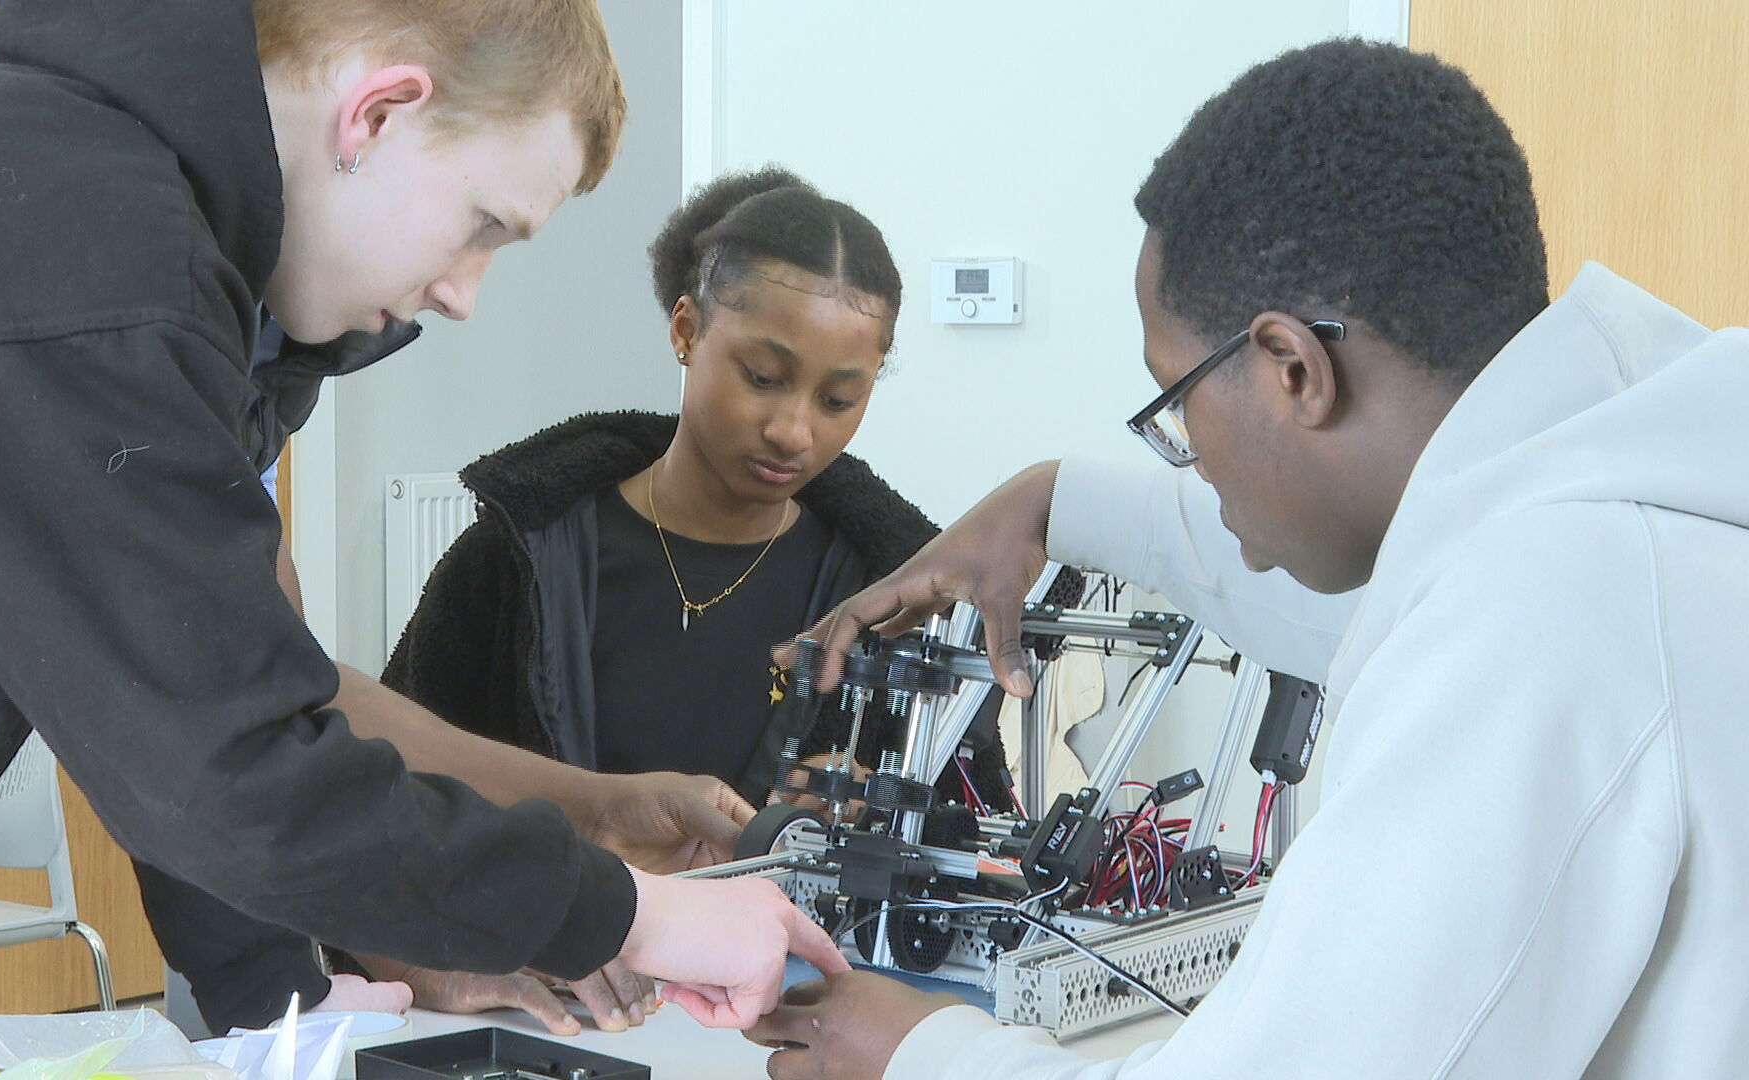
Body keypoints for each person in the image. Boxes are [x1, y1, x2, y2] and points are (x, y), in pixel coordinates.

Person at [0, 0, 845, 1031]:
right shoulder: (75, 254)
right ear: (378, 115)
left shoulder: (146, 217)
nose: (464, 294)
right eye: (485, 224)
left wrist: (285, 1001)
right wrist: (626, 915)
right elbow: (222, 766)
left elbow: (190, 683)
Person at [749, 38, 1749, 1079]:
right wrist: (1058, 500)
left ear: (1290, 369)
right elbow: (1342, 598)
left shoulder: (1539, 615)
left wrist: (921, 1053)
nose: (1188, 454)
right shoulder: (1639, 506)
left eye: (1176, 399)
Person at [151, 166, 1020, 1035]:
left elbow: (980, 871)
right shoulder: (523, 557)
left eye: (840, 399)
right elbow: (362, 775)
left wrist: (887, 834)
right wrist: (423, 958)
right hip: (559, 1025)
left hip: (785, 1034)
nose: (794, 429)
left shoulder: (899, 603)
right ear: (687, 330)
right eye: (762, 376)